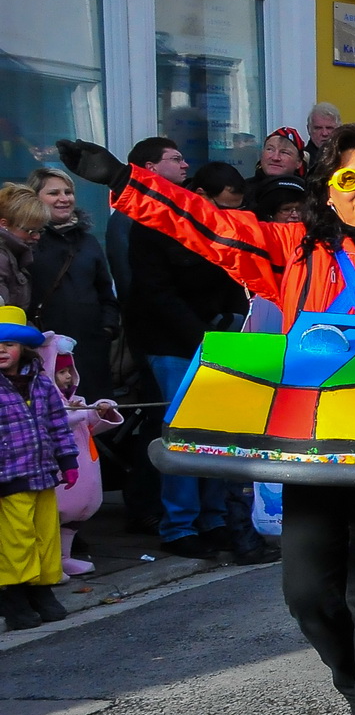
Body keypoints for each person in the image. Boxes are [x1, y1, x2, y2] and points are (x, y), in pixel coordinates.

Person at [60, 122, 355, 715]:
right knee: (306, 592)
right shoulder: (293, 249)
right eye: (348, 178)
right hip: (314, 448)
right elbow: (208, 226)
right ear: (328, 188)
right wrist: (127, 182)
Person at [119, 139, 251, 560]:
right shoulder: (153, 227)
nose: (184, 163)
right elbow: (155, 293)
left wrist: (235, 323)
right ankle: (179, 526)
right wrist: (201, 335)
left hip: (217, 337)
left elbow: (236, 278)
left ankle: (214, 519)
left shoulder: (216, 225)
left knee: (216, 434)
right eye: (174, 159)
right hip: (171, 342)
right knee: (182, 433)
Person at [0, 305, 79, 631]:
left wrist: (68, 460)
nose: (2, 350)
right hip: (8, 477)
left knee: (44, 534)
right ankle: (13, 596)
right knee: (16, 538)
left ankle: (41, 589)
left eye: (9, 344)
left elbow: (58, 424)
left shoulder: (41, 383)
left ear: (24, 348)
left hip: (42, 472)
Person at [27, 167, 120, 401]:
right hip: (44, 349)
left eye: (68, 192)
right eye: (54, 193)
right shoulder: (28, 242)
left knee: (93, 416)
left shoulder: (88, 242)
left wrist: (106, 330)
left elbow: (105, 293)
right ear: (34, 197)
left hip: (90, 349)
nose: (63, 199)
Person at [41, 334, 121, 578]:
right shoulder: (44, 401)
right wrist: (81, 414)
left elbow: (91, 428)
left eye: (69, 371)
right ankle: (49, 561)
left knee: (73, 520)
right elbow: (54, 423)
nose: (67, 376)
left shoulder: (75, 401)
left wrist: (100, 412)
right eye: (62, 371)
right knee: (52, 517)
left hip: (85, 469)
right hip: (61, 470)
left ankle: (65, 557)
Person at [0, 181, 48, 310]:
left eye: (40, 231)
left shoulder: (14, 255)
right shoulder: (3, 258)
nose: (37, 237)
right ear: (4, 224)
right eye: (31, 231)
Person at [248, 127, 307, 206]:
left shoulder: (308, 194)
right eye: (270, 149)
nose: (275, 158)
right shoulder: (243, 191)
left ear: (299, 162)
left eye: (285, 152)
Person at [305, 103, 343, 171]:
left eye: (329, 128)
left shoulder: (348, 157)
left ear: (339, 129)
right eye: (318, 128)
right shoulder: (302, 161)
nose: (324, 133)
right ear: (309, 129)